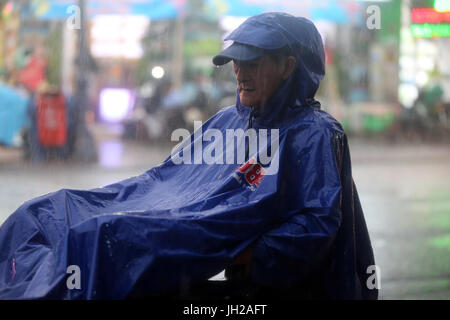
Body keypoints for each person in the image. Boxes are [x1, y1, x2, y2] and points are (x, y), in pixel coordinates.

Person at [0, 13, 377, 300]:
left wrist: (243, 253)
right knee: (44, 214)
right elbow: (167, 181)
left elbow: (317, 223)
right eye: (236, 62)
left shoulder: (316, 133)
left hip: (287, 287)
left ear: (289, 67)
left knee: (102, 235)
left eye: (253, 63)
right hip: (189, 235)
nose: (240, 73)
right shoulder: (227, 120)